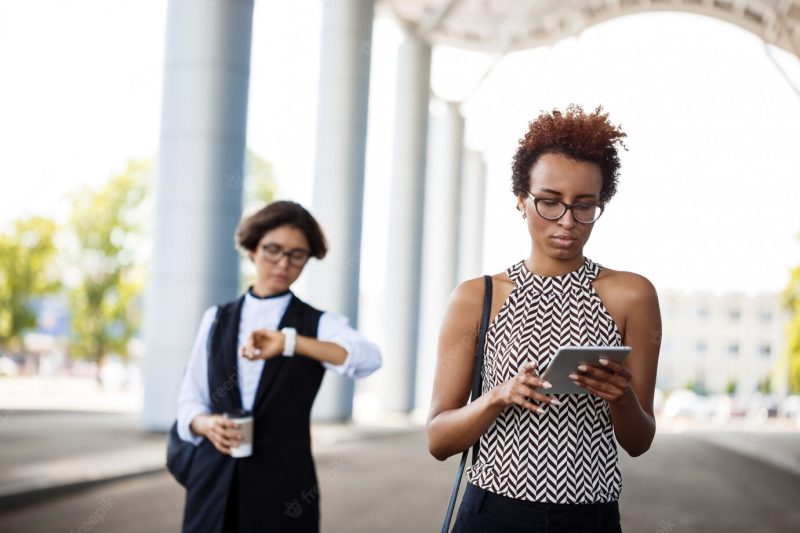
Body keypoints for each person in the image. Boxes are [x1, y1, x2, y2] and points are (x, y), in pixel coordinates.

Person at [427, 105, 661, 532]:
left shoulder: (633, 295)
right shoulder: (476, 297)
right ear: (521, 200)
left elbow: (640, 442)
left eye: (585, 206)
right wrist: (498, 396)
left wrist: (621, 398)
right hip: (493, 515)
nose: (567, 222)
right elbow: (439, 440)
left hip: (590, 518)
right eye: (550, 203)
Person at [176, 200, 381, 533]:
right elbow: (189, 399)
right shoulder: (216, 318)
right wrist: (205, 423)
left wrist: (290, 342)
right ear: (253, 249)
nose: (283, 263)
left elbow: (369, 358)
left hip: (284, 489)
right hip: (213, 483)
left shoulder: (318, 322)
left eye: (297, 255)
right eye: (273, 250)